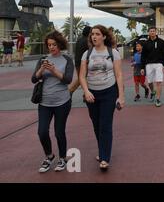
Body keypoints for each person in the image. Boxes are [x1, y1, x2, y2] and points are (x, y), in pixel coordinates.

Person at [79, 25, 125, 171]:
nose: (94, 37)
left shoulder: (113, 53)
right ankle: (102, 150)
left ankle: (105, 157)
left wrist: (121, 96)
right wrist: (86, 91)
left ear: (104, 37)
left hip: (109, 93)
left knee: (105, 125)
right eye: (92, 34)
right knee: (96, 125)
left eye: (98, 34)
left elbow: (119, 75)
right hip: (92, 94)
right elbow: (81, 75)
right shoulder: (87, 54)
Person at [31, 30, 74, 172]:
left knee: (59, 132)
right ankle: (49, 156)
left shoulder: (67, 60)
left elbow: (67, 80)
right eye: (49, 45)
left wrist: (54, 71)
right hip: (44, 102)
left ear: (59, 44)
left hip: (62, 101)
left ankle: (62, 158)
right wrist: (41, 69)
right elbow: (34, 79)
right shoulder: (43, 59)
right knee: (42, 132)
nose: (51, 47)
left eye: (54, 44)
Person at [140, 27, 164, 107]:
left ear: (156, 32)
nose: (152, 32)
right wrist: (142, 67)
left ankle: (158, 99)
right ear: (148, 33)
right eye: (150, 31)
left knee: (158, 81)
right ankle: (152, 91)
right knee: (149, 82)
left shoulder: (161, 42)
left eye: (153, 31)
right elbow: (143, 56)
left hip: (159, 64)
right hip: (149, 64)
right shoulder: (145, 43)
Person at [69, 25, 91, 95]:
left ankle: (86, 94)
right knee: (81, 78)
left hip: (77, 61)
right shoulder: (87, 41)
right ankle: (70, 91)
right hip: (83, 63)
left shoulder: (79, 40)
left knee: (82, 78)